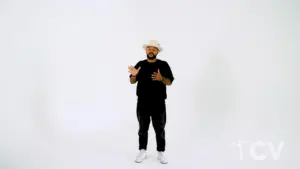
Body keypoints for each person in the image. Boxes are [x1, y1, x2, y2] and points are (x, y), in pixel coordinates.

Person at [128, 40, 175, 164]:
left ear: (157, 51)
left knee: (160, 128)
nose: (151, 50)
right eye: (149, 48)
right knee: (143, 128)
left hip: (158, 102)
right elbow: (132, 81)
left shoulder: (163, 65)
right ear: (146, 50)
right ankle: (142, 150)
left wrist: (161, 78)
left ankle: (161, 152)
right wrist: (133, 75)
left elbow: (169, 82)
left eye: (154, 49)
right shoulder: (140, 64)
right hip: (142, 102)